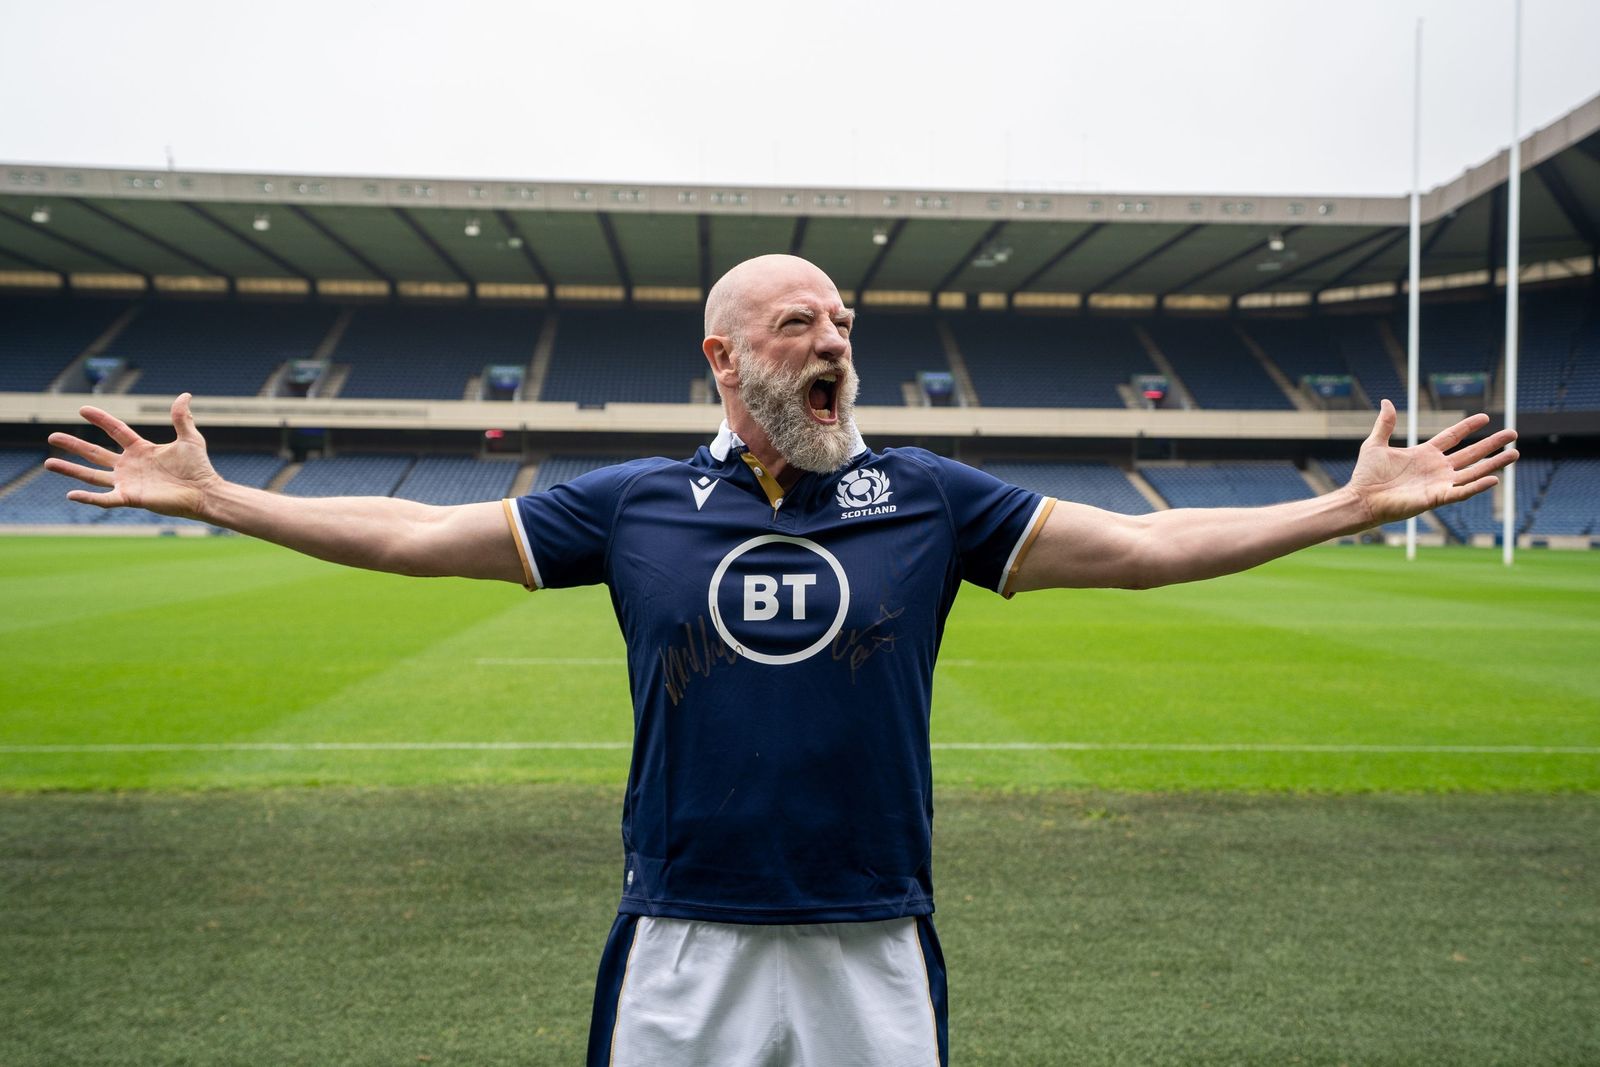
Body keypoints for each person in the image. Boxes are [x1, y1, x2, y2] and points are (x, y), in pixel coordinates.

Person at [46, 254, 1518, 1066]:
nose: (837, 340)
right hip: (682, 933)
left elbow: (1147, 551)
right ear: (726, 357)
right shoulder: (630, 503)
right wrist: (231, 498)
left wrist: (1341, 505)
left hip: (872, 934)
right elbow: (420, 534)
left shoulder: (931, 495)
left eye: (845, 324)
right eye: (801, 321)